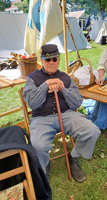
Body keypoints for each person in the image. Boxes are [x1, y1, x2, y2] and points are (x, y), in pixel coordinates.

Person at [22, 44, 101, 183]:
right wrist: (46, 85)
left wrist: (63, 89)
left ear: (58, 60)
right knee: (38, 146)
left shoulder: (66, 78)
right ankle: (45, 164)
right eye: (48, 60)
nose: (51, 62)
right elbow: (33, 104)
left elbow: (77, 103)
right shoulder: (32, 78)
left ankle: (73, 157)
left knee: (92, 130)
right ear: (42, 60)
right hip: (42, 118)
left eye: (54, 59)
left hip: (67, 115)